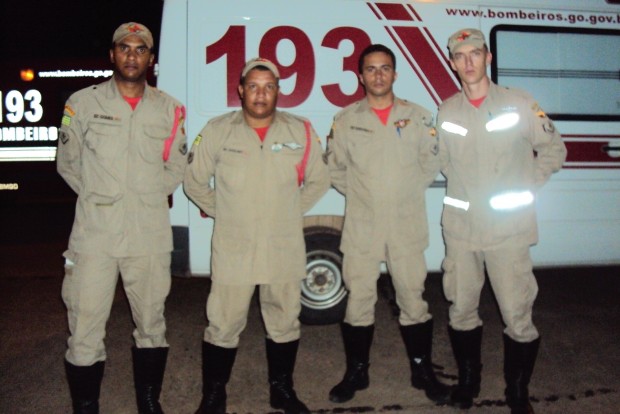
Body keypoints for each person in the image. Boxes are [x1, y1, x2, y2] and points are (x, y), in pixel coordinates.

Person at [183, 57, 330, 414]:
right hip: (234, 246)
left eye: (268, 87)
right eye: (253, 86)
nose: (260, 94)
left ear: (278, 91)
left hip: (283, 245)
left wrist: (288, 211)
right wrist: (226, 211)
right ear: (240, 90)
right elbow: (193, 182)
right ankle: (214, 396)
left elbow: (320, 180)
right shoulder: (217, 131)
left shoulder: (300, 130)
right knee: (223, 323)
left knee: (284, 320)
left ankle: (282, 390)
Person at [56, 22, 187, 414]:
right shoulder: (82, 103)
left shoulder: (169, 108)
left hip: (148, 235)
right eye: (125, 48)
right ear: (112, 54)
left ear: (151, 58)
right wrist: (102, 196)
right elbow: (68, 163)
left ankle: (148, 402)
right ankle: (86, 406)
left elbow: (176, 167)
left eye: (140, 49)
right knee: (84, 328)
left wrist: (143, 196)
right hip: (95, 235)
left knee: (152, 325)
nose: (132, 55)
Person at [437, 29, 567, 414]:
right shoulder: (447, 111)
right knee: (461, 311)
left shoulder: (519, 103)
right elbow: (443, 161)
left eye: (475, 53)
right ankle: (468, 383)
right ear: (452, 63)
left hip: (508, 232)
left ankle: (517, 392)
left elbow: (554, 149)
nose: (468, 62)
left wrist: (527, 184)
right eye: (460, 56)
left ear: (488, 57)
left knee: (517, 316)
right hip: (461, 231)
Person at [325, 44, 450, 406]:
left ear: (395, 74)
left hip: (405, 226)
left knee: (413, 298)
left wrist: (404, 192)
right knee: (358, 300)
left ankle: (422, 372)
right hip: (362, 226)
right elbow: (335, 168)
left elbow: (431, 162)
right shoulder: (345, 120)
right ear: (360, 76)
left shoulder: (418, 117)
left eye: (384, 68)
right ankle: (356, 372)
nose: (378, 75)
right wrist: (364, 195)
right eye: (371, 69)